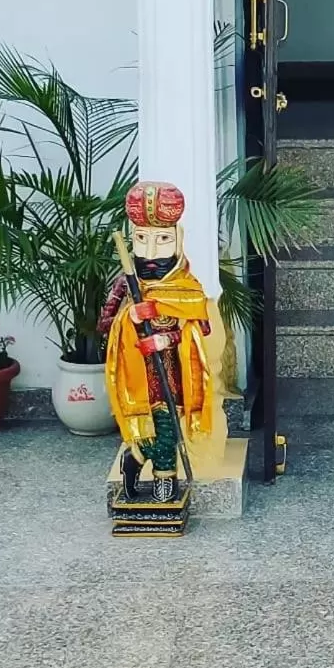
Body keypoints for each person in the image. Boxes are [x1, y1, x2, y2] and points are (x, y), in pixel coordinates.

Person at [99, 182, 217, 503]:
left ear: (178, 240)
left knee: (166, 426)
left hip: (173, 372)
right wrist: (130, 317)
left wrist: (168, 336)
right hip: (137, 376)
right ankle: (157, 473)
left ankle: (140, 461)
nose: (151, 254)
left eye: (162, 240)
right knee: (154, 429)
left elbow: (201, 328)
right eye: (141, 240)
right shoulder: (125, 284)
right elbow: (104, 325)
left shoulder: (187, 286)